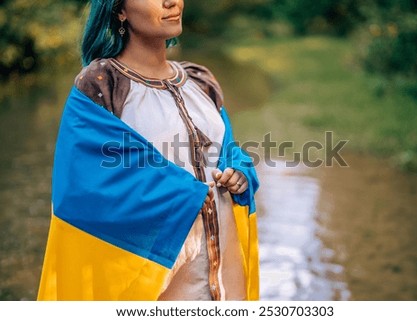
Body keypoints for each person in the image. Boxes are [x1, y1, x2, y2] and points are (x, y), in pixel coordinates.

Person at [37, 0, 259, 301]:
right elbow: (83, 190)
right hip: (160, 281)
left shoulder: (200, 81)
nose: (171, 1)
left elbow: (228, 150)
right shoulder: (102, 85)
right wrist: (186, 193)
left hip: (225, 272)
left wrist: (240, 174)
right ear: (119, 10)